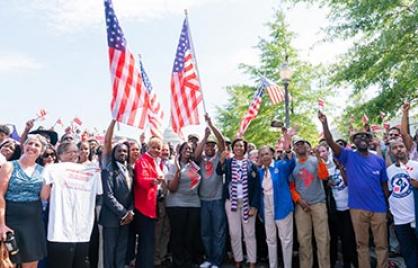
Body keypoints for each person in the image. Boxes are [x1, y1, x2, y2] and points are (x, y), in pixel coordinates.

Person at [319, 111, 389, 268]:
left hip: (379, 208)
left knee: (381, 245)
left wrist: (388, 208)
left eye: (365, 136)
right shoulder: (348, 156)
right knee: (361, 245)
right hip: (357, 208)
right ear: (354, 142)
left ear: (370, 140)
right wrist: (324, 123)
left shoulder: (378, 160)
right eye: (357, 137)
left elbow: (385, 185)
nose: (362, 139)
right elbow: (330, 141)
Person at [42, 142, 102, 268]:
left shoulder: (92, 170)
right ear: (61, 154)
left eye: (76, 151)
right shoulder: (91, 170)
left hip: (68, 230)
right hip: (74, 230)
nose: (75, 154)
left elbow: (44, 196)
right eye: (72, 151)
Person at [0, 134, 48, 268]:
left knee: (31, 265)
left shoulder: (44, 171)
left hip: (33, 223)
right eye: (30, 143)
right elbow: (0, 195)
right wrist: (2, 225)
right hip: (10, 220)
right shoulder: (8, 166)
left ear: (41, 151)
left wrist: (51, 178)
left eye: (36, 145)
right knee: (7, 264)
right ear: (24, 145)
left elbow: (44, 197)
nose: (32, 147)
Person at [216, 138, 260, 268]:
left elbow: (257, 187)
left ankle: (252, 261)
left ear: (245, 148)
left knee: (250, 233)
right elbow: (219, 172)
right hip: (232, 202)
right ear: (233, 148)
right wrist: (222, 159)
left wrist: (254, 206)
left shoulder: (251, 165)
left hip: (247, 203)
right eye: (236, 146)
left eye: (241, 146)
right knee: (234, 233)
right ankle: (238, 259)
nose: (238, 148)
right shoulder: (229, 162)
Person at [290, 136, 330, 268]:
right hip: (301, 206)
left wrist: (319, 158)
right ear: (294, 148)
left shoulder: (314, 160)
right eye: (297, 144)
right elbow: (291, 186)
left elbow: (324, 176)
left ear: (307, 146)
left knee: (323, 239)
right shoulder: (292, 164)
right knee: (303, 240)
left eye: (302, 143)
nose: (300, 146)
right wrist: (299, 200)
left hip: (318, 203)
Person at [99, 119, 134, 268]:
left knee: (122, 249)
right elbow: (108, 195)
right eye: (119, 150)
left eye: (125, 151)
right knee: (110, 251)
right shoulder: (108, 167)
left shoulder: (130, 170)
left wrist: (131, 212)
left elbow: (133, 194)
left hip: (127, 218)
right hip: (111, 218)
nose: (122, 153)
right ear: (114, 153)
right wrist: (123, 213)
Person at [317, 143, 357, 268]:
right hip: (333, 209)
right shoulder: (325, 169)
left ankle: (349, 262)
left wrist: (341, 168)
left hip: (348, 207)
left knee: (348, 238)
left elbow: (350, 182)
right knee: (333, 239)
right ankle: (333, 262)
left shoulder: (345, 166)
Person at [194, 114, 226, 268]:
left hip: (218, 199)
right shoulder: (200, 160)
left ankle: (217, 262)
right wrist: (205, 136)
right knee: (205, 233)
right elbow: (195, 154)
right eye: (207, 145)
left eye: (211, 146)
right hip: (203, 201)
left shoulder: (219, 156)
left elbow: (222, 142)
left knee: (218, 232)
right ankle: (209, 258)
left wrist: (212, 125)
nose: (209, 148)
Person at [166, 141, 202, 268]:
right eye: (186, 148)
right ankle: (178, 262)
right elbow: (172, 188)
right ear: (180, 150)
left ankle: (188, 262)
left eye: (191, 149)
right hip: (176, 204)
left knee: (190, 235)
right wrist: (178, 171)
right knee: (178, 235)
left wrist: (206, 134)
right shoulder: (173, 164)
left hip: (194, 204)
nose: (188, 150)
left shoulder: (194, 165)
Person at [258, 145, 295, 268]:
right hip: (267, 208)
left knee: (286, 240)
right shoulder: (260, 172)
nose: (264, 157)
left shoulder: (280, 165)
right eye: (262, 155)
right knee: (270, 240)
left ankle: (287, 265)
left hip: (282, 207)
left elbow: (291, 163)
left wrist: (288, 149)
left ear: (272, 154)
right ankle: (272, 265)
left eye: (267, 153)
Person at [386, 139, 418, 268]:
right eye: (395, 148)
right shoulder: (389, 171)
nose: (398, 149)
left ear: (407, 149)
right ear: (391, 152)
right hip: (400, 220)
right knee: (408, 252)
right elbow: (389, 192)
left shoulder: (416, 165)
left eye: (401, 146)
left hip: (415, 217)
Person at [134, 136, 164, 268]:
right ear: (147, 147)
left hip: (151, 206)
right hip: (144, 207)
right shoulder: (143, 161)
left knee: (148, 242)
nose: (156, 150)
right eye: (154, 147)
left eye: (159, 147)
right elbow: (142, 180)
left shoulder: (153, 161)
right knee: (146, 242)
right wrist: (154, 180)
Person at [154, 143, 171, 267]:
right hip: (158, 201)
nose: (165, 152)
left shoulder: (172, 164)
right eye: (163, 150)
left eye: (167, 150)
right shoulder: (154, 163)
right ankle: (155, 257)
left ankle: (162, 255)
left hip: (170, 200)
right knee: (158, 229)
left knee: (167, 229)